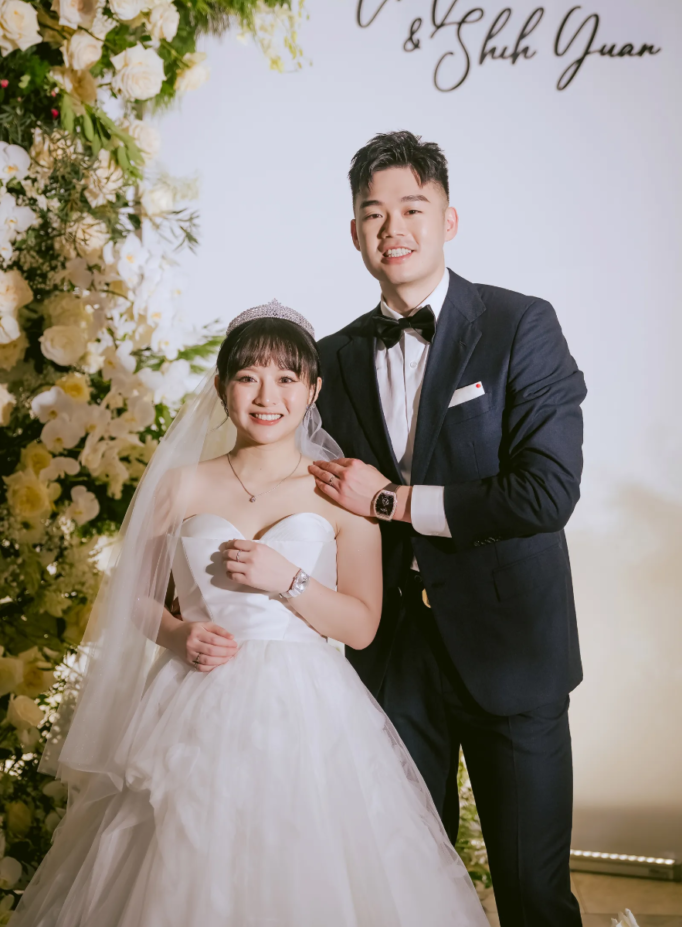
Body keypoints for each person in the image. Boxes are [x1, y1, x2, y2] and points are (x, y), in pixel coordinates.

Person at [14, 305, 488, 927]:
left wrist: (287, 580)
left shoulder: (339, 494)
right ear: (221, 387)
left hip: (308, 708)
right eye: (248, 377)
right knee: (180, 858)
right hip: (190, 699)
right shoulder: (180, 486)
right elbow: (134, 594)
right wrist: (177, 633)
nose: (268, 396)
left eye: (287, 378)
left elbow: (360, 624)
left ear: (313, 390)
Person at [311, 131, 587, 927]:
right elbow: (299, 495)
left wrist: (392, 502)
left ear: (449, 219)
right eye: (374, 213)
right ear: (354, 232)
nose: (392, 228)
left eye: (412, 208)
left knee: (534, 897)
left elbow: (546, 492)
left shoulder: (520, 324)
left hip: (512, 654)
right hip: (392, 661)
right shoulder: (330, 358)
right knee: (410, 898)